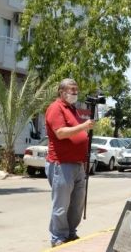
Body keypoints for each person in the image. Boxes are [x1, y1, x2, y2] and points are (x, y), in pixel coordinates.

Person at [44, 78, 95, 248]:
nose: (75, 93)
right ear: (62, 92)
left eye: (76, 90)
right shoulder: (56, 108)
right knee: (61, 204)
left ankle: (71, 233)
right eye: (71, 90)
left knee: (77, 203)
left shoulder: (72, 109)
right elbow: (61, 133)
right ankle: (58, 237)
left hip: (78, 164)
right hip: (61, 164)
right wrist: (83, 127)